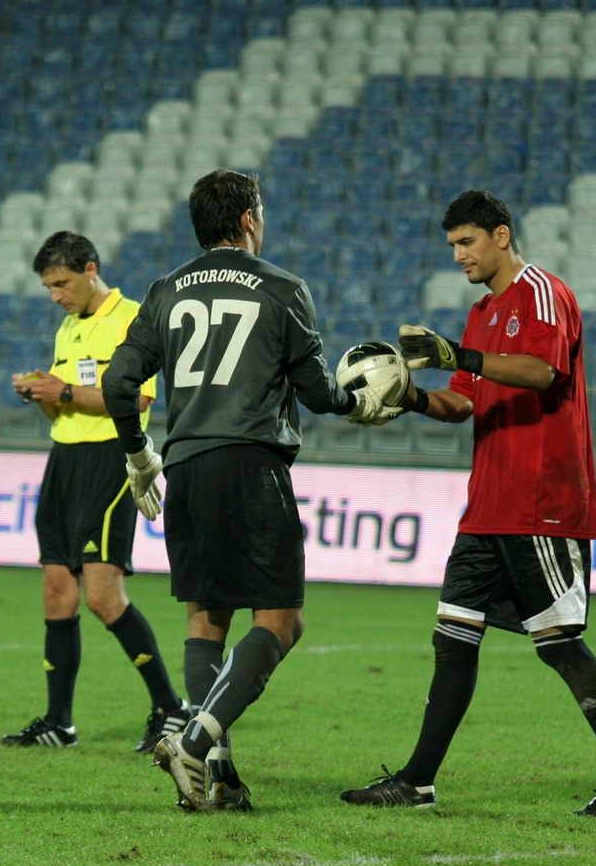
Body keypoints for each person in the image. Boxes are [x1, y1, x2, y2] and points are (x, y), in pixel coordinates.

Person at [341, 189, 596, 819]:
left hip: (541, 502)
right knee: (452, 638)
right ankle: (418, 781)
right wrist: (406, 395)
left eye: (467, 242)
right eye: (452, 245)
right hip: (487, 505)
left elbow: (542, 372)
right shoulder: (481, 314)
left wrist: (462, 356)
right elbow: (461, 403)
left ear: (501, 235)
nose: (458, 255)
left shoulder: (543, 293)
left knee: (560, 644)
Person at [101, 169, 398, 812]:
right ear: (246, 221)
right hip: (252, 468)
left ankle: (221, 779)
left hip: (185, 466)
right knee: (281, 621)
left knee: (207, 618)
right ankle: (194, 738)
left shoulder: (164, 290)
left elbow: (120, 383)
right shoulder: (283, 289)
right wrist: (362, 401)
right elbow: (319, 394)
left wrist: (137, 454)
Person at [4, 231, 190, 753]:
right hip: (63, 460)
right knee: (57, 591)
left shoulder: (131, 318)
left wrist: (60, 390)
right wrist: (41, 393)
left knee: (103, 597)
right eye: (48, 287)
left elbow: (138, 395)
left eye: (61, 283)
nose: (55, 295)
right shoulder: (69, 327)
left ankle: (171, 708)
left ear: (90, 269)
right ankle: (59, 722)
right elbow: (65, 405)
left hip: (111, 461)